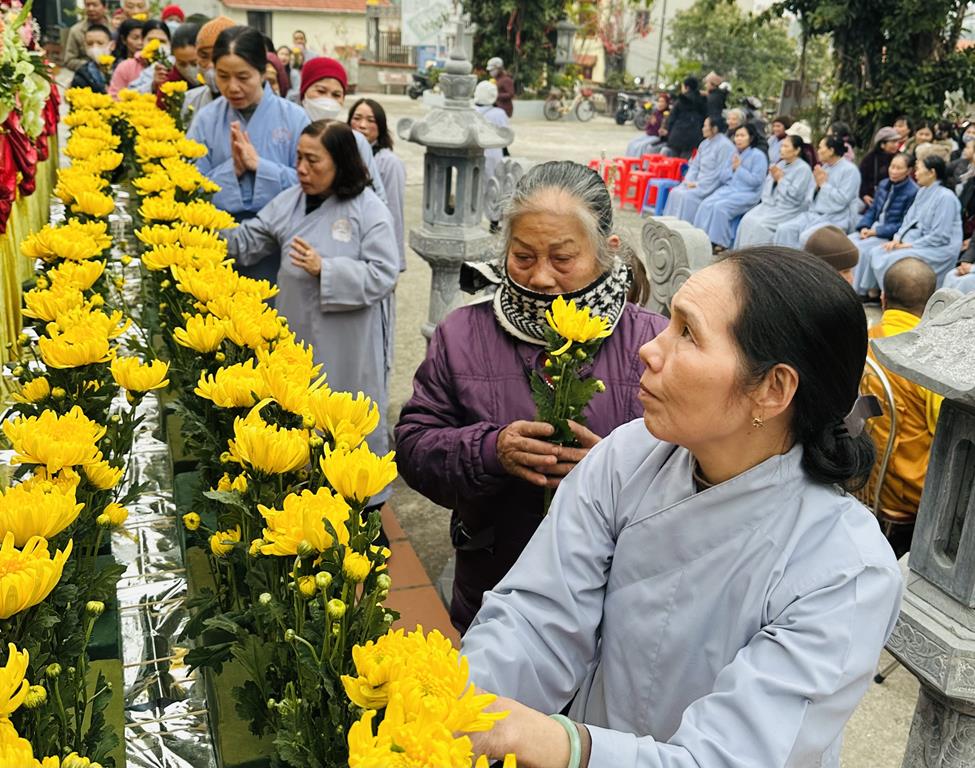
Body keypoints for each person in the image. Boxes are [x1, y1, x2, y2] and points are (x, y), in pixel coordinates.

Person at [461, 246, 902, 768]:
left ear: (773, 388)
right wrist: (459, 708)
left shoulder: (845, 569)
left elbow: (728, 758)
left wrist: (562, 745)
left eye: (688, 333)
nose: (649, 349)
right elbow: (537, 617)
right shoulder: (627, 456)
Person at [395, 161, 667, 634]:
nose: (540, 278)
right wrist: (489, 451)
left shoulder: (654, 343)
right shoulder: (462, 334)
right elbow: (413, 446)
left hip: (613, 606)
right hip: (494, 590)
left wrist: (612, 473)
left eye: (563, 259)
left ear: (608, 251)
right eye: (523, 257)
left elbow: (697, 472)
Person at [225, 120, 398, 500]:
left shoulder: (369, 211)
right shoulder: (290, 200)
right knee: (296, 430)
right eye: (299, 158)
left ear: (342, 163)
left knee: (344, 429)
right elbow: (250, 240)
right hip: (295, 341)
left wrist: (328, 269)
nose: (302, 169)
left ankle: (359, 508)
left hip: (346, 348)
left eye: (313, 161)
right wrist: (205, 236)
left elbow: (385, 273)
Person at [187, 26, 310, 284]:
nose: (232, 87)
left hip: (279, 244)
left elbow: (310, 187)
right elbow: (188, 189)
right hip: (215, 245)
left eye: (243, 77)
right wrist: (233, 170)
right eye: (223, 76)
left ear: (263, 71)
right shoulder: (206, 120)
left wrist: (260, 167)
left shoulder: (294, 118)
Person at [864, 257, 942, 557]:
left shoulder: (865, 342)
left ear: (883, 299)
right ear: (935, 303)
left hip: (864, 480)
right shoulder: (932, 364)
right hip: (909, 497)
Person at [855, 154, 962, 296]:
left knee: (894, 258)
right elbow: (908, 220)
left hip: (939, 248)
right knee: (877, 251)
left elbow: (940, 236)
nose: (915, 174)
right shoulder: (922, 192)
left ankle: (895, 297)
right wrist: (897, 239)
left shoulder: (946, 197)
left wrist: (909, 245)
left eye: (918, 170)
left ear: (932, 173)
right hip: (916, 240)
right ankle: (875, 292)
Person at [299, 57, 387, 205]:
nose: (328, 100)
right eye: (321, 91)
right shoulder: (290, 133)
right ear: (304, 93)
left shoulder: (355, 140)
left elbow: (377, 194)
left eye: (336, 95)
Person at [773, 135, 861, 249]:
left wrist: (823, 185)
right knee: (784, 229)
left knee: (806, 237)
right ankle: (783, 264)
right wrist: (817, 187)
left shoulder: (850, 170)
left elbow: (842, 200)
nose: (817, 151)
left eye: (820, 148)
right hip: (815, 214)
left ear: (831, 151)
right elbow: (810, 196)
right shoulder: (825, 167)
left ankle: (801, 265)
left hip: (836, 217)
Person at [349, 97, 407, 269]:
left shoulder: (389, 162)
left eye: (370, 120)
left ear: (380, 126)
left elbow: (394, 212)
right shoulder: (346, 156)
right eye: (357, 118)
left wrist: (396, 261)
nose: (362, 125)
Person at [692, 123, 769, 251]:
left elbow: (756, 181)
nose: (738, 139)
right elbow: (723, 176)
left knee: (720, 208)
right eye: (737, 136)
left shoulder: (758, 156)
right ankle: (700, 237)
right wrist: (733, 169)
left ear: (751, 138)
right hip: (730, 189)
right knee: (706, 204)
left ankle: (719, 242)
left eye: (742, 135)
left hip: (748, 193)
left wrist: (739, 169)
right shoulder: (734, 154)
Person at [734, 134, 814, 248]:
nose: (782, 149)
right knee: (747, 219)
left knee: (760, 225)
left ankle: (758, 259)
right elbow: (767, 187)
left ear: (797, 150)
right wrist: (775, 181)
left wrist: (781, 180)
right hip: (771, 204)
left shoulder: (803, 169)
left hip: (789, 208)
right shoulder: (780, 164)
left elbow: (796, 196)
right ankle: (741, 254)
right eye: (781, 146)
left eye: (786, 146)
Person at [850, 152, 918, 276]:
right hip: (873, 228)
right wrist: (864, 226)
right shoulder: (883, 184)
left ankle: (858, 289)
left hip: (889, 234)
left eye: (899, 168)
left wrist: (876, 232)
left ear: (909, 171)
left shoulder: (913, 192)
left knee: (862, 250)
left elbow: (904, 223)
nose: (893, 171)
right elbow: (873, 210)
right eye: (892, 167)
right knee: (849, 241)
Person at [663, 115, 735, 223]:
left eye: (705, 126)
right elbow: (694, 166)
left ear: (714, 129)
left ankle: (683, 228)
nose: (702, 128)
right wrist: (689, 181)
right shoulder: (704, 143)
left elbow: (720, 173)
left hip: (710, 186)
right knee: (675, 192)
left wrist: (699, 185)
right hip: (696, 182)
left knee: (686, 197)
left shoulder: (725, 146)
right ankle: (669, 226)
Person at [182, 16, 235, 128]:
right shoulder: (189, 100)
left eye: (218, 56)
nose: (211, 65)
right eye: (204, 56)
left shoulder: (255, 104)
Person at [469, 82, 508, 235]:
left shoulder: (470, 111)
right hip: (494, 154)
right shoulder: (499, 113)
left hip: (474, 154)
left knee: (474, 188)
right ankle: (494, 222)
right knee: (494, 188)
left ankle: (473, 221)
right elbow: (506, 135)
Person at [109, 19, 170, 98]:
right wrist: (152, 87)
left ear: (169, 43)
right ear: (142, 41)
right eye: (151, 40)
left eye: (162, 41)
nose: (157, 45)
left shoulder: (177, 65)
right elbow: (114, 97)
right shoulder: (126, 67)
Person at [661, 76, 707, 159]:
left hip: (677, 136)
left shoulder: (681, 100)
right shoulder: (702, 100)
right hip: (694, 137)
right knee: (685, 164)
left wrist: (668, 131)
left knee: (674, 162)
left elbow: (672, 118)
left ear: (687, 87)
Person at [63, 0, 112, 72]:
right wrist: (91, 66)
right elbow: (69, 60)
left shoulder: (115, 27)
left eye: (95, 5)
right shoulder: (76, 31)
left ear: (104, 6)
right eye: (87, 5)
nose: (91, 9)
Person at [858, 126, 901, 206]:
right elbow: (861, 178)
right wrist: (864, 195)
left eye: (897, 142)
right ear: (882, 144)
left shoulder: (900, 158)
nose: (896, 145)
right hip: (870, 198)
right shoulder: (870, 159)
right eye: (893, 142)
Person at [68, 23, 113, 94]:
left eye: (100, 43)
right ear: (85, 46)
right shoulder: (82, 74)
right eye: (90, 44)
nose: (94, 47)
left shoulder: (121, 68)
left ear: (112, 45)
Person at [625, 93, 669, 158]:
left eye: (662, 102)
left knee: (641, 146)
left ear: (666, 103)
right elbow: (648, 126)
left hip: (656, 136)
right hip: (648, 134)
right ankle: (628, 161)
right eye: (659, 101)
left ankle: (637, 165)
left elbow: (662, 128)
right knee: (632, 143)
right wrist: (650, 121)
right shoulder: (656, 112)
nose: (660, 104)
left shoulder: (667, 114)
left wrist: (657, 122)